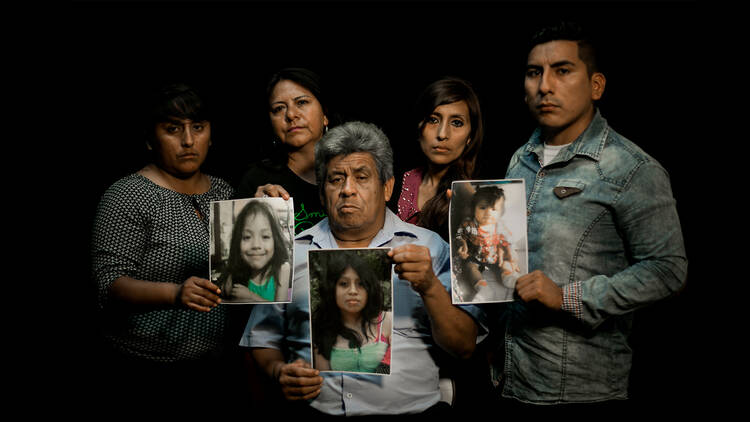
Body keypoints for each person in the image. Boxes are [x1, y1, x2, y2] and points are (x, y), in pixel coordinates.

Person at [496, 21, 688, 413]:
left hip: (582, 391)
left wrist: (568, 296)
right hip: (510, 379)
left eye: (562, 71)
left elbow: (669, 269)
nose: (544, 86)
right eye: (535, 73)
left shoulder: (630, 168)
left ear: (596, 85)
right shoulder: (520, 158)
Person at [240, 121, 485, 417]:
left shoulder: (431, 247)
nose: (347, 190)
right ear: (322, 192)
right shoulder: (290, 252)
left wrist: (430, 286)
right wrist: (280, 371)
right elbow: (262, 339)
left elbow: (464, 346)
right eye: (335, 179)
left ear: (387, 187)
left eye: (361, 176)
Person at [90, 83, 239, 410]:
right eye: (173, 129)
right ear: (150, 138)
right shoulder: (128, 194)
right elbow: (108, 284)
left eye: (197, 128)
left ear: (210, 134)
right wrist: (174, 293)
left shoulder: (226, 192)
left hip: (217, 366)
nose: (188, 140)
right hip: (146, 368)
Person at [236, 67, 334, 234]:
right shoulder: (256, 181)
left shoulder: (354, 169)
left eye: (301, 102)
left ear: (325, 115)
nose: (291, 115)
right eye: (279, 108)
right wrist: (250, 210)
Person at [393, 77, 484, 241]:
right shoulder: (397, 182)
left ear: (470, 135)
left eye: (456, 123)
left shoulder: (477, 194)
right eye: (433, 120)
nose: (442, 134)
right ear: (419, 126)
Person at [311, 250, 392, 374]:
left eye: (360, 284)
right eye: (344, 284)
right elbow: (324, 382)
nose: (353, 291)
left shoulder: (387, 321)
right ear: (332, 289)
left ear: (369, 289)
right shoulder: (321, 332)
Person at [215, 200, 292, 303]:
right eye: (247, 237)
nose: (256, 245)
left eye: (265, 236)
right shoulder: (234, 277)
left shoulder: (282, 269)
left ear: (275, 240)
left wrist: (251, 297)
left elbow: (280, 310)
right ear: (237, 242)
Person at [454, 185, 520, 302]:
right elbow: (459, 236)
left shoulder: (500, 226)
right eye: (483, 208)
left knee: (506, 261)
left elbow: (508, 242)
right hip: (474, 257)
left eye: (494, 209)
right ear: (473, 209)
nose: (488, 212)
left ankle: (508, 276)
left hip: (494, 257)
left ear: (501, 212)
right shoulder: (468, 224)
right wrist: (462, 244)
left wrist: (512, 256)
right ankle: (483, 288)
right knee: (469, 267)